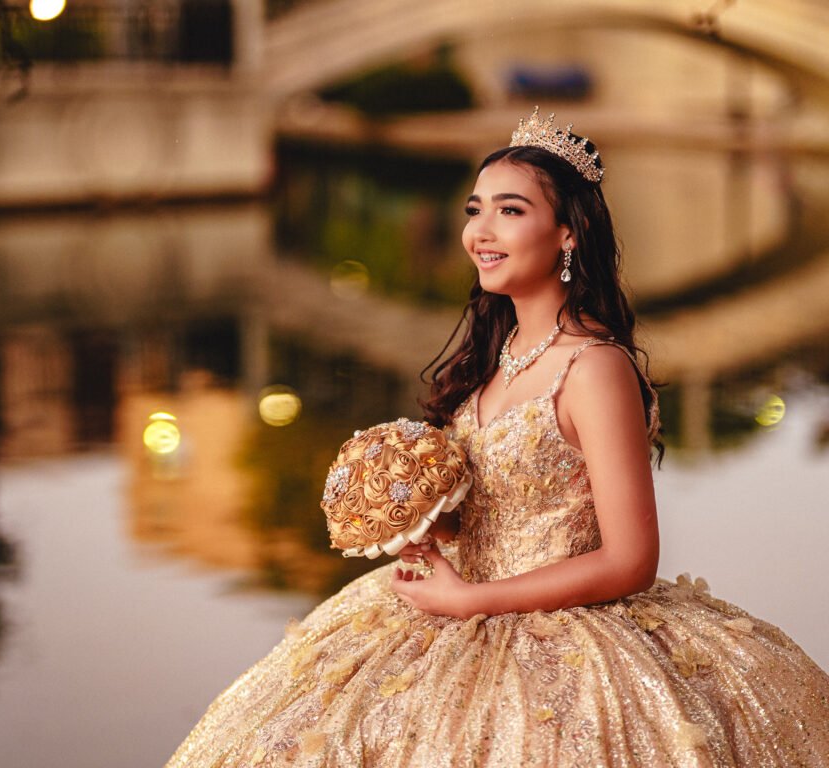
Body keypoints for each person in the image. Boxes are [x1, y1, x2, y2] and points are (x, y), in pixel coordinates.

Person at [165, 108, 829, 767]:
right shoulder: (497, 351)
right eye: (474, 209)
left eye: (510, 211)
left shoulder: (593, 367)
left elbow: (631, 559)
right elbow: (496, 506)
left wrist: (472, 601)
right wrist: (420, 520)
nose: (481, 231)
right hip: (448, 611)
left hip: (555, 633)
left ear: (568, 234)